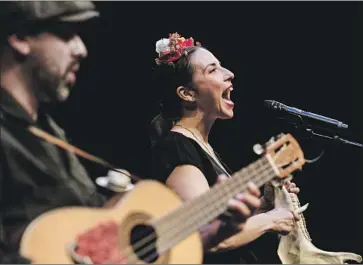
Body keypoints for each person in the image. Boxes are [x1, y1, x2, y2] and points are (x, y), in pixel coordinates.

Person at [0, 3, 262, 263]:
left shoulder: (49, 134)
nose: (81, 50)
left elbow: (115, 254)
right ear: (21, 38)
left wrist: (214, 232)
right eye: (66, 34)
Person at [147, 32, 302, 264]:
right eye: (213, 70)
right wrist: (272, 219)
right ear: (187, 94)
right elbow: (207, 235)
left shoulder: (202, 146)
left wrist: (264, 204)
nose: (229, 74)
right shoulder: (177, 148)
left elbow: (225, 223)